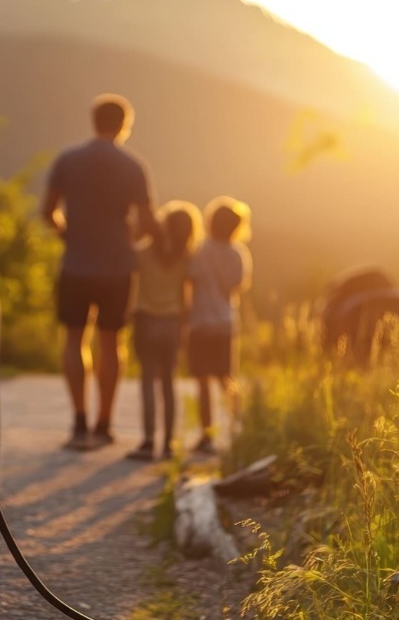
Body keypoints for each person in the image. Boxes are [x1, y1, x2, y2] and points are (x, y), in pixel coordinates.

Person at [41, 93, 161, 450]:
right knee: (111, 342)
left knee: (74, 339)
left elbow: (48, 211)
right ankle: (104, 424)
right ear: (125, 125)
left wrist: (67, 233)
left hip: (75, 264)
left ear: (94, 121)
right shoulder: (133, 166)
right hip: (118, 267)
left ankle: (79, 422)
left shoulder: (68, 160)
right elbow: (148, 223)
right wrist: (128, 240)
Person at [126, 200, 202, 461]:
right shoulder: (186, 258)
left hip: (146, 320)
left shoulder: (144, 251)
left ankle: (148, 441)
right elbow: (187, 297)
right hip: (172, 322)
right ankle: (168, 443)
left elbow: (130, 278)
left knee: (147, 380)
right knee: (169, 382)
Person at [187, 196, 252, 455]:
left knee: (203, 382)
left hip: (200, 322)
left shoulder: (199, 250)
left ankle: (207, 435)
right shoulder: (238, 253)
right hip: (225, 322)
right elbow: (236, 286)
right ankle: (241, 427)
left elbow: (189, 280)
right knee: (227, 377)